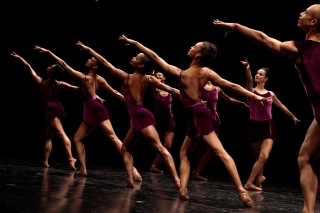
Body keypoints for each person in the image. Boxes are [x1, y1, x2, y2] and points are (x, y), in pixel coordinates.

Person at [119, 35, 272, 207]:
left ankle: (241, 190)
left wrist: (135, 43)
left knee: (220, 152)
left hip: (199, 116)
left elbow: (154, 56)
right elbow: (231, 85)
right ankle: (183, 190)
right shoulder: (206, 72)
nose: (191, 46)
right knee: (184, 154)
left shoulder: (181, 74)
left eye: (194, 46)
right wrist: (253, 96)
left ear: (197, 55)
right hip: (196, 115)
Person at [213, 4, 320, 212]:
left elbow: (263, 39)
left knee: (306, 158)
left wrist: (236, 25)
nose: (301, 14)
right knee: (305, 157)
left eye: (306, 13)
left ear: (314, 22)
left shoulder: (300, 49)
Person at [75, 41, 180, 189]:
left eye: (136, 58)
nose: (133, 58)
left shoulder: (127, 77)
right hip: (135, 119)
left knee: (159, 148)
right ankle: (130, 180)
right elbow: (172, 89)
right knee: (125, 148)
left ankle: (178, 182)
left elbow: (104, 62)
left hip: (142, 116)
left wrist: (88, 49)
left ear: (141, 65)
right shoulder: (146, 78)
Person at [34, 46, 142, 180]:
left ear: (95, 67)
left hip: (92, 108)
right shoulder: (100, 79)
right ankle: (88, 169)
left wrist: (49, 52)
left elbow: (63, 64)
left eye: (91, 60)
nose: (88, 60)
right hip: (96, 108)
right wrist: (130, 102)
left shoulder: (83, 78)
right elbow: (114, 93)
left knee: (87, 139)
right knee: (101, 138)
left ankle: (88, 169)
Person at [240, 59, 300, 190]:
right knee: (258, 156)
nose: (257, 75)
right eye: (256, 73)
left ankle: (249, 182)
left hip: (268, 125)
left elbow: (281, 106)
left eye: (260, 74)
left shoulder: (270, 94)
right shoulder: (250, 92)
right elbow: (249, 80)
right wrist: (247, 68)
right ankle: (259, 179)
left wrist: (292, 116)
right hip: (254, 125)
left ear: (266, 79)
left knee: (264, 156)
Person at [11, 52, 77, 170]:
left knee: (61, 134)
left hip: (50, 107)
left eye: (50, 67)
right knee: (48, 136)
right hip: (57, 106)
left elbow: (29, 67)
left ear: (51, 72)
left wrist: (21, 58)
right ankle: (45, 161)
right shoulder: (60, 84)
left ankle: (70, 158)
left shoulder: (41, 82)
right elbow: (75, 88)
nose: (48, 67)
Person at [192, 77, 249, 181]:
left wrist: (241, 103)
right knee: (198, 146)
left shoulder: (217, 89)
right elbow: (191, 98)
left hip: (213, 118)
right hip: (202, 118)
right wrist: (199, 102)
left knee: (211, 149)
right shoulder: (199, 87)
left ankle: (197, 171)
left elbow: (229, 99)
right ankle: (194, 170)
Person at [149, 71, 177, 173]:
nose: (157, 77)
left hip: (169, 120)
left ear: (164, 77)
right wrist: (152, 75)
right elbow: (151, 82)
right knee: (155, 144)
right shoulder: (154, 90)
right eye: (156, 76)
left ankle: (153, 166)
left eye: (159, 75)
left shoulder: (169, 90)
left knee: (168, 145)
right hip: (158, 120)